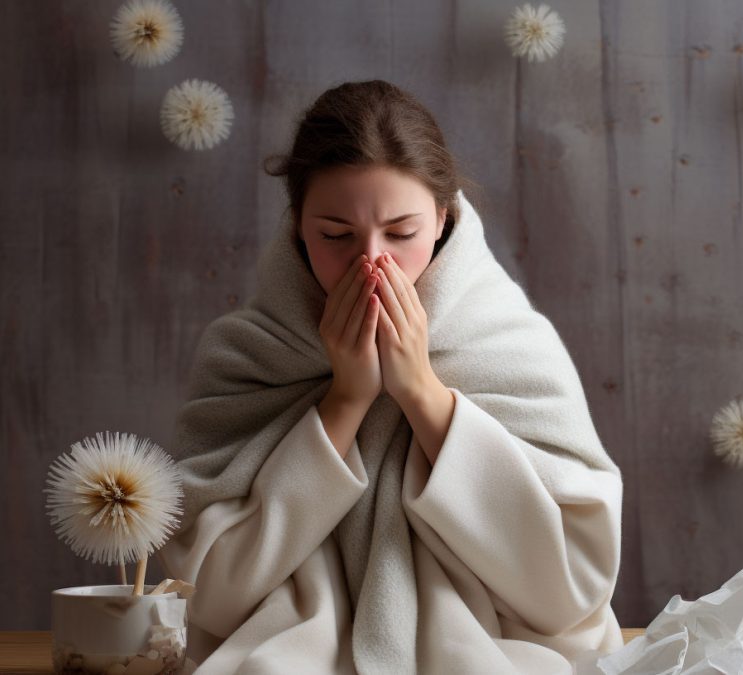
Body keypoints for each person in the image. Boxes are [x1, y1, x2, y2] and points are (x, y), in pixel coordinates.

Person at [158, 80, 625, 674]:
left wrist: (421, 393)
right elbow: (207, 593)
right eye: (336, 235)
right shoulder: (246, 354)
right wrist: (347, 399)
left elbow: (570, 587)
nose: (370, 263)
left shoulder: (513, 345)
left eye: (401, 234)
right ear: (298, 225)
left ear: (442, 219)